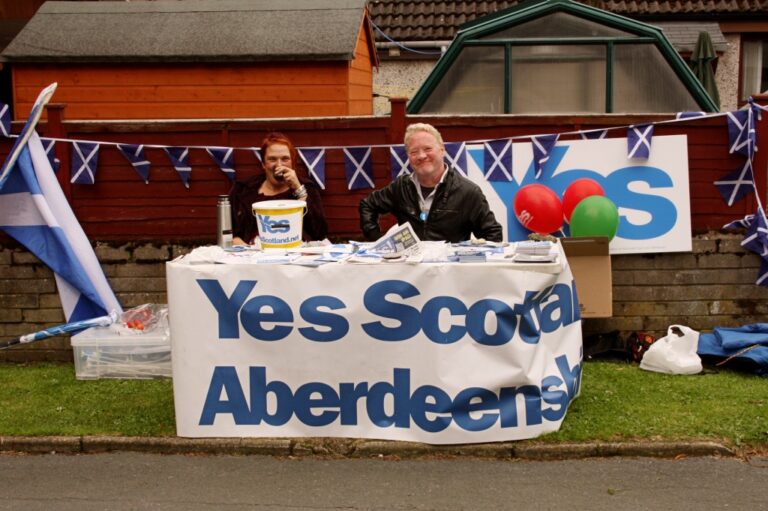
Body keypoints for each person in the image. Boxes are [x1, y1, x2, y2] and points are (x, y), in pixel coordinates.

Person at [359, 123, 503, 243]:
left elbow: (493, 235)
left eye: (428, 149)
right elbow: (368, 205)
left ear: (442, 150)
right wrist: (376, 241)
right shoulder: (400, 187)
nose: (421, 156)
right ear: (408, 156)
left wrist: (471, 260)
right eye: (414, 152)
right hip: (409, 273)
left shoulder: (468, 192)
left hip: (448, 273)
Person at [229, 132, 327, 245]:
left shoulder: (307, 188)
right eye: (272, 159)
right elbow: (229, 233)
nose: (279, 165)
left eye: (285, 159)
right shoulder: (242, 190)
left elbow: (319, 233)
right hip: (252, 255)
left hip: (295, 254)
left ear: (292, 163)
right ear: (263, 164)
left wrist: (299, 190)